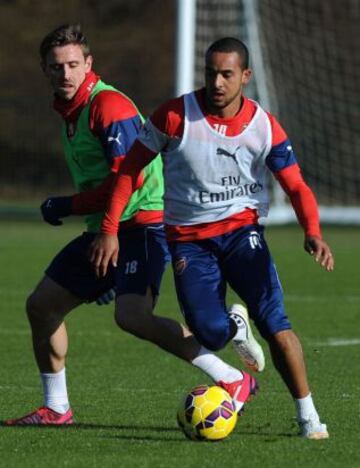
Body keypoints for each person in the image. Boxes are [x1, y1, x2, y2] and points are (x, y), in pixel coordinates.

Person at [4, 26, 264, 426]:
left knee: (132, 316)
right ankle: (56, 407)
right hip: (109, 228)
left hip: (144, 225)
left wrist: (69, 206)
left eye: (74, 64)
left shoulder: (109, 106)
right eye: (56, 67)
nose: (66, 74)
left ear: (89, 64)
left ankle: (231, 379)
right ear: (45, 70)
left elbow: (131, 178)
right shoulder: (71, 111)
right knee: (42, 306)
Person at [90, 37, 334, 440]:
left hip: (243, 235)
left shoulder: (263, 126)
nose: (217, 82)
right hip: (188, 242)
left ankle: (309, 417)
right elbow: (129, 172)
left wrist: (313, 232)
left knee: (275, 323)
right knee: (210, 333)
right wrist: (110, 229)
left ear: (245, 76)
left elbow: (295, 185)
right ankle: (234, 328)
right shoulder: (173, 116)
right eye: (210, 73)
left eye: (227, 74)